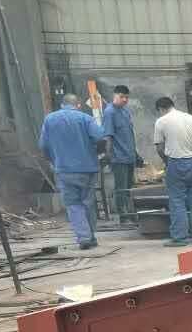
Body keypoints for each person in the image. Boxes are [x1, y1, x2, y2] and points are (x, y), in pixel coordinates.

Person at [38, 93, 104, 250]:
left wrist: (53, 160)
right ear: (78, 105)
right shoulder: (85, 118)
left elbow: (43, 145)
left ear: (62, 105)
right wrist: (98, 154)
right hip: (87, 168)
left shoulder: (49, 119)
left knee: (73, 204)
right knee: (88, 202)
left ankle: (84, 237)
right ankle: (90, 236)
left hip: (64, 169)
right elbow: (100, 138)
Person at [152, 96, 192, 247]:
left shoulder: (161, 121)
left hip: (176, 163)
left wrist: (167, 162)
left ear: (161, 109)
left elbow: (159, 148)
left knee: (177, 201)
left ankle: (180, 238)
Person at [100, 84, 138, 220]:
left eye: (127, 97)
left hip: (129, 156)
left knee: (130, 188)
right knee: (121, 188)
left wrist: (136, 154)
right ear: (114, 96)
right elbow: (108, 136)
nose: (124, 100)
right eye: (122, 97)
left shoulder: (125, 111)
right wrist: (108, 155)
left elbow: (129, 135)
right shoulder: (109, 113)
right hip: (118, 157)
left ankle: (131, 213)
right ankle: (124, 216)